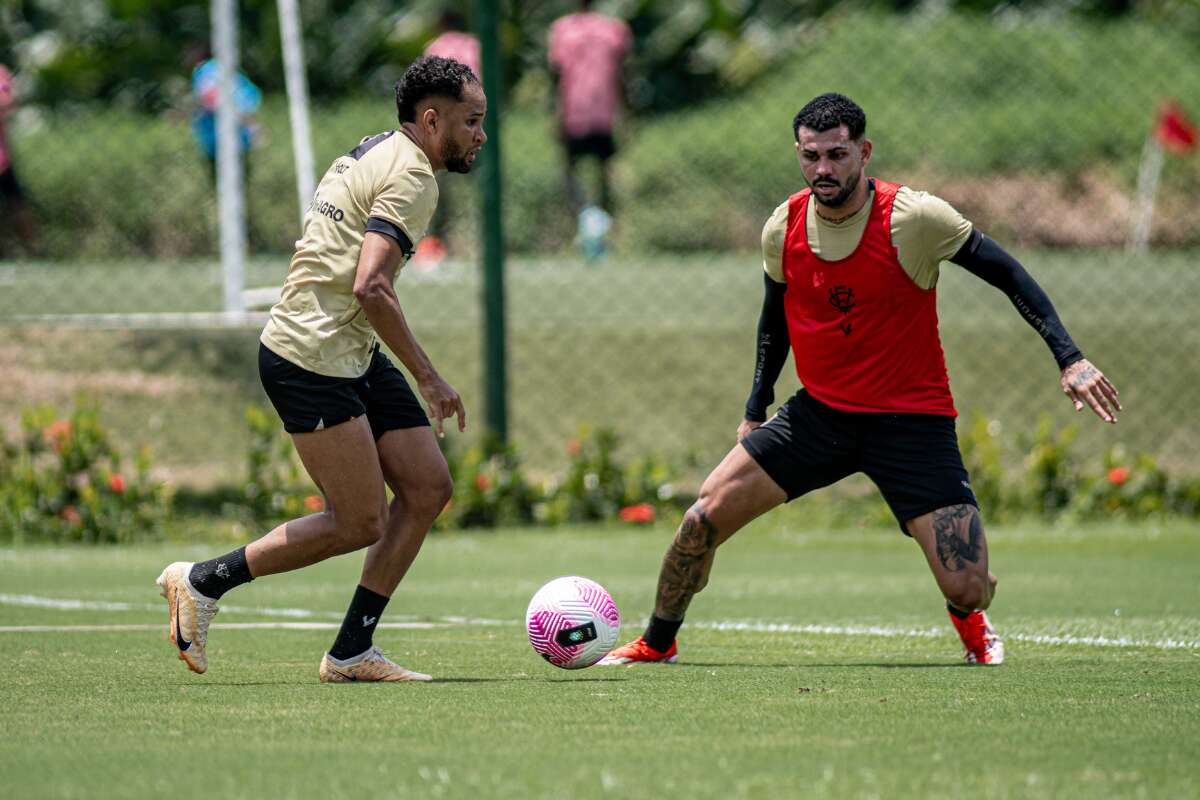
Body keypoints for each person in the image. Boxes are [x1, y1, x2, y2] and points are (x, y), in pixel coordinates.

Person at [601, 92, 1120, 667]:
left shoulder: (915, 218)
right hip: (818, 417)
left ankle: (971, 620)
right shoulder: (784, 225)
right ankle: (658, 641)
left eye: (837, 155)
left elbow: (1007, 273)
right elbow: (774, 321)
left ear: (864, 152)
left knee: (968, 585)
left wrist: (1069, 358)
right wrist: (756, 409)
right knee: (700, 520)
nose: (823, 169)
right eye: (810, 155)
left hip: (912, 424)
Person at [156, 56, 486, 683]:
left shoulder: (382, 148)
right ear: (432, 118)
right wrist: (429, 376)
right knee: (359, 520)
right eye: (471, 122)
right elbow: (372, 287)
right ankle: (201, 581)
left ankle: (352, 652)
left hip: (347, 348)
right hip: (310, 356)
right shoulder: (413, 176)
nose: (480, 135)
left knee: (426, 487)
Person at [548, 0, 632, 218]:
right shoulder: (613, 29)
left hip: (574, 111)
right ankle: (604, 219)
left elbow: (557, 78)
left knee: (569, 170)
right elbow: (622, 76)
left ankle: (583, 215)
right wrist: (625, 113)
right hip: (603, 111)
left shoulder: (562, 29)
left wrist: (557, 114)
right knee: (604, 171)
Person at [419, 11, 482, 265]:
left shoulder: (435, 47)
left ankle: (436, 241)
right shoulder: (475, 46)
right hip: (472, 123)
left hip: (443, 125)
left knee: (438, 185)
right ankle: (478, 238)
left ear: (441, 25)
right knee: (480, 183)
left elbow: (426, 89)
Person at [188, 47, 262, 183]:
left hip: (216, 138)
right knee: (240, 183)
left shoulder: (205, 70)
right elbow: (250, 97)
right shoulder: (229, 70)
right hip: (240, 137)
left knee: (223, 184)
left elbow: (210, 97)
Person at [0, 63, 37, 256]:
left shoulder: (0, 72)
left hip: (1, 157)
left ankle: (33, 251)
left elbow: (8, 104)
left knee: (16, 203)